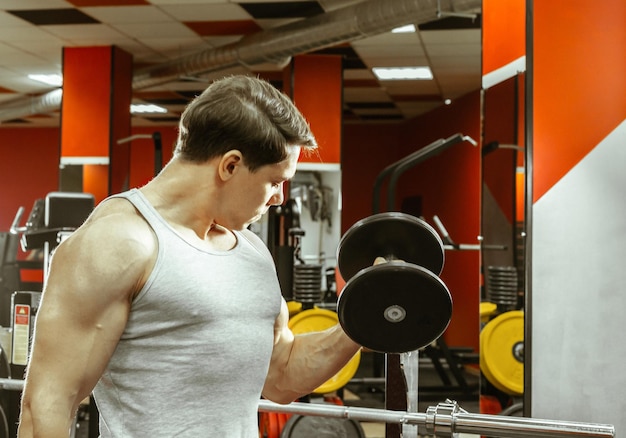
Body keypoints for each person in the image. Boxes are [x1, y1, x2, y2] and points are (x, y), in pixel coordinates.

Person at [18, 75, 361, 437]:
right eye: (275, 181)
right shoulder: (120, 241)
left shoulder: (251, 251)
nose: (279, 198)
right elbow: (47, 403)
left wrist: (365, 319)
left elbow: (283, 375)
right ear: (230, 165)